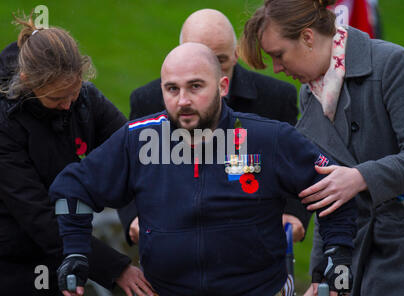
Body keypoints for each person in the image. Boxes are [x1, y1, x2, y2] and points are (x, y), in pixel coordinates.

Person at [49, 42, 357, 296]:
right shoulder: (138, 140)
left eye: (195, 87)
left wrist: (336, 255)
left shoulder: (269, 138)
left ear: (223, 86)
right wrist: (76, 251)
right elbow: (71, 189)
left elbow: (335, 185)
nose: (183, 101)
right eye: (172, 89)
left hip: (260, 293)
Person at [239, 0, 404, 296]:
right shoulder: (309, 96)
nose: (277, 68)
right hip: (356, 263)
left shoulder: (393, 64)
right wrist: (321, 279)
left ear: (307, 37)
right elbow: (326, 196)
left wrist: (360, 177)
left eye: (278, 55)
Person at [0, 12, 154, 296]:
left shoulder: (85, 100)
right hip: (0, 264)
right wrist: (117, 268)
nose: (68, 105)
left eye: (73, 93)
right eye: (57, 99)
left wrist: (136, 215)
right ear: (28, 81)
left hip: (58, 256)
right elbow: (40, 218)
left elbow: (132, 153)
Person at [119, 8, 307, 248]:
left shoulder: (275, 99)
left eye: (220, 60)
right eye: (199, 59)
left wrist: (294, 214)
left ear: (236, 54)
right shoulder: (148, 101)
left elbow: (298, 165)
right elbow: (127, 169)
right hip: (175, 244)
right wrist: (133, 217)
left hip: (253, 246)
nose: (211, 71)